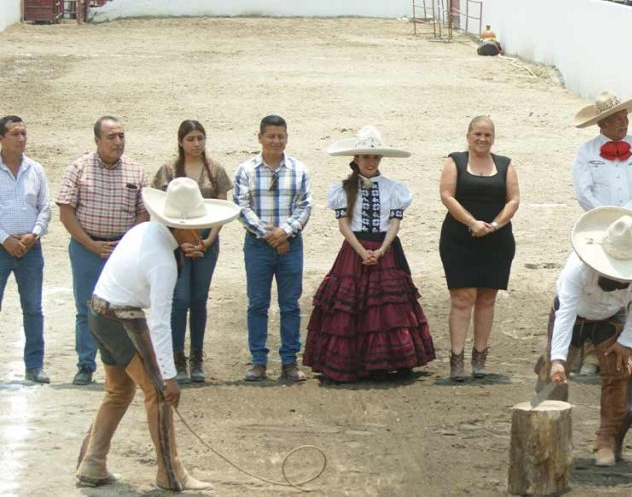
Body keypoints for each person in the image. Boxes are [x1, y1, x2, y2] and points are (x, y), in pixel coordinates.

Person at [75, 177, 238, 491]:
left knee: (119, 391)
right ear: (181, 226)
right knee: (159, 394)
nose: (201, 232)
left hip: (99, 311)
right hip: (121, 317)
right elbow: (160, 322)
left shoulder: (144, 232)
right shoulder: (163, 260)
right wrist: (169, 375)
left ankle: (92, 461)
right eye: (198, 225)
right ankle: (169, 471)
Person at [535, 206, 632, 467]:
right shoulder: (578, 269)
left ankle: (606, 441)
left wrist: (626, 342)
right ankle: (548, 438)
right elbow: (566, 312)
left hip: (611, 317)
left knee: (618, 373)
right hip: (573, 316)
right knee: (554, 375)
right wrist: (559, 358)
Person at [303, 126, 435, 382]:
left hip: (385, 249)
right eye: (366, 157)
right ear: (356, 160)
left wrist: (382, 250)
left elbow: (395, 223)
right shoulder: (342, 189)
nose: (371, 162)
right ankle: (356, 362)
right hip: (354, 251)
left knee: (388, 307)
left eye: (375, 157)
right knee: (352, 306)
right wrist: (363, 251)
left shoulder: (394, 189)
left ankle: (389, 361)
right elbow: (344, 226)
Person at [57, 115, 148, 385]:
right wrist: (91, 244)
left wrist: (126, 244)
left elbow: (143, 213)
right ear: (97, 140)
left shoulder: (136, 170)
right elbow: (66, 212)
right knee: (86, 306)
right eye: (111, 137)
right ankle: (86, 364)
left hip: (123, 250)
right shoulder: (78, 168)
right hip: (87, 248)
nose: (118, 142)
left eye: (121, 136)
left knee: (123, 307)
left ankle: (123, 364)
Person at [571, 90, 632, 375]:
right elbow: (583, 192)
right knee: (597, 285)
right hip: (598, 226)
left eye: (625, 116)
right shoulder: (587, 152)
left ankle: (629, 347)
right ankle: (592, 351)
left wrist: (627, 216)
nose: (623, 122)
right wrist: (607, 217)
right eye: (616, 119)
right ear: (601, 124)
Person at [439, 116, 520, 381]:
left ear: (493, 138)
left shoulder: (505, 164)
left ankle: (480, 357)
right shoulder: (455, 161)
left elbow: (514, 200)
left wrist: (494, 225)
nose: (482, 139)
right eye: (477, 134)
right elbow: (446, 195)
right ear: (468, 135)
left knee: (487, 298)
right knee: (462, 299)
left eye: (487, 135)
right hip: (460, 239)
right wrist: (472, 223)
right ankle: (456, 359)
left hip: (497, 240)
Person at [233, 115, 313, 382]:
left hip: (291, 244)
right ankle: (258, 361)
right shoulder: (246, 170)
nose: (276, 141)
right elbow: (241, 208)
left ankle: (289, 361)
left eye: (281, 136)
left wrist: (285, 232)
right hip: (258, 246)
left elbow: (305, 207)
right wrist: (269, 235)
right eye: (271, 136)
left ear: (287, 137)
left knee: (290, 304)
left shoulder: (299, 169)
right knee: (257, 304)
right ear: (260, 137)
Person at [152, 120, 232, 383]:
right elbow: (161, 212)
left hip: (206, 243)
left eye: (200, 138)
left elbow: (222, 207)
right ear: (181, 141)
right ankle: (177, 356)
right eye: (191, 139)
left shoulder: (215, 169)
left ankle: (196, 357)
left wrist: (208, 240)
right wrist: (181, 242)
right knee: (181, 299)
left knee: (198, 299)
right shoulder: (168, 170)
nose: (196, 144)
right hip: (178, 244)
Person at [0, 115, 52, 384]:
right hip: (0, 248)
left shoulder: (36, 170)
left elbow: (45, 207)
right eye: (15, 134)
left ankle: (34, 365)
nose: (21, 139)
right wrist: (5, 239)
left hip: (31, 248)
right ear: (1, 138)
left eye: (23, 133)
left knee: (33, 308)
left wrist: (33, 234)